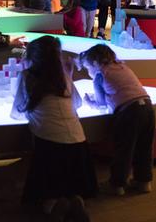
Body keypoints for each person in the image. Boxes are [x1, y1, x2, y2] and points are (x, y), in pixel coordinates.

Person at [11, 36, 96, 221]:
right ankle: (75, 200)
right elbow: (77, 103)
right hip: (78, 142)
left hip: (49, 145)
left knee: (48, 192)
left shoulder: (27, 76)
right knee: (70, 182)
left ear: (31, 57)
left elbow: (18, 110)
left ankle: (56, 206)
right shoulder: (63, 76)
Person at [79, 44, 155, 196]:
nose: (88, 72)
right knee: (145, 148)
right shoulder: (123, 67)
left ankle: (117, 185)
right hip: (147, 107)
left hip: (129, 113)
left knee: (124, 150)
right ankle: (144, 182)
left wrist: (89, 102)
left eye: (88, 68)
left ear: (95, 63)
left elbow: (101, 104)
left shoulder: (100, 74)